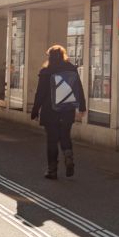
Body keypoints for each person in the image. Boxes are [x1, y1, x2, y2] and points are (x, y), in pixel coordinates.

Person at [30, 45, 86, 180]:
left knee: (52, 140)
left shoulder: (46, 71)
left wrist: (35, 110)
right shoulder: (71, 69)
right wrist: (82, 107)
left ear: (50, 57)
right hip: (67, 109)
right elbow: (79, 88)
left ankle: (52, 170)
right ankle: (68, 157)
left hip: (50, 110)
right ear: (63, 55)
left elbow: (40, 93)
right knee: (65, 135)